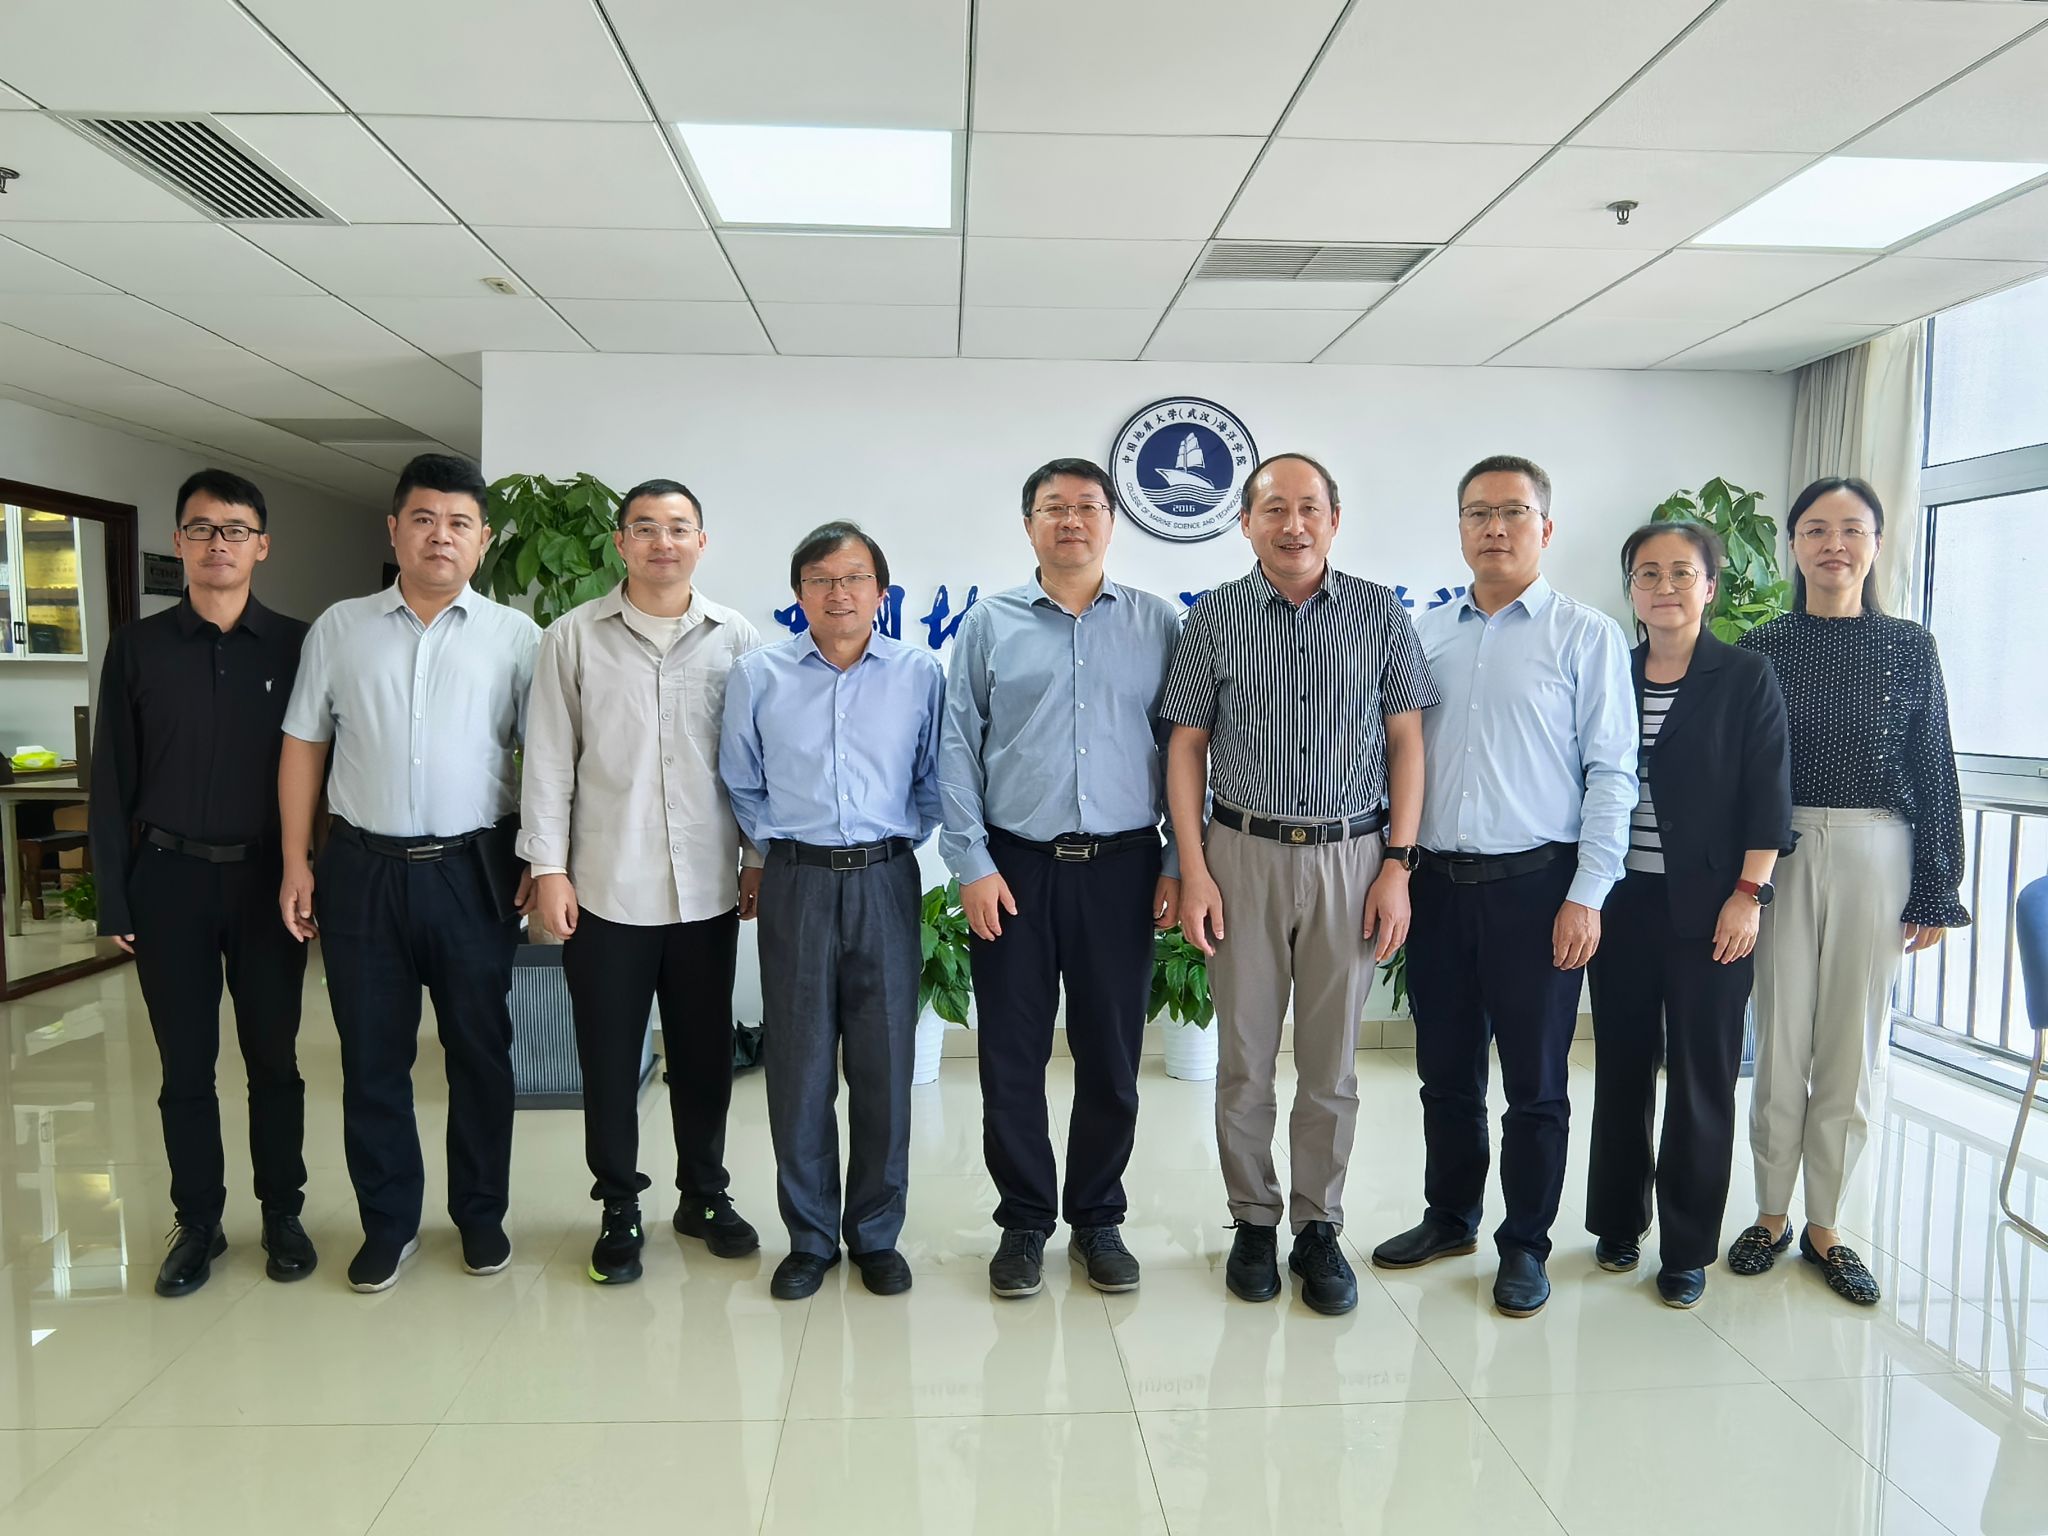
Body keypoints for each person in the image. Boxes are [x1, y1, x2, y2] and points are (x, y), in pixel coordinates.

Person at [1163, 452, 1437, 1317]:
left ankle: (1318, 1225)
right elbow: (1186, 746)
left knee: (1332, 1064)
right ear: (1245, 522)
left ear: (1334, 519)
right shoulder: (1213, 617)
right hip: (1239, 854)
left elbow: (1407, 743)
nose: (1293, 524)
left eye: (1309, 507)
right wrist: (1194, 867)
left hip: (1351, 857)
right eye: (1273, 508)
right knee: (1244, 1059)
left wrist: (1398, 864)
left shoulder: (1378, 613)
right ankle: (1253, 1220)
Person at [1372, 454, 1636, 1319]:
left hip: (1539, 888)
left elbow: (1612, 773)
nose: (1495, 528)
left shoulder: (1585, 635)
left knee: (1535, 1083)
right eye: (1478, 513)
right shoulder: (1423, 633)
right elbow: (1394, 757)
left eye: (1513, 512)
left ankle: (1525, 1243)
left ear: (1545, 528)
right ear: (1459, 528)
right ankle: (1450, 1217)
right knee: (1445, 1073)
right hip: (1438, 887)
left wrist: (1588, 892)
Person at [278, 453, 541, 1294]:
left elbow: (547, 759)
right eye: (424, 519)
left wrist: (544, 860)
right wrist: (295, 861)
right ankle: (388, 1224)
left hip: (474, 869)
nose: (441, 536)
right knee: (372, 1058)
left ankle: (481, 1215)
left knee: (481, 1053)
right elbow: (304, 746)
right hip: (363, 871)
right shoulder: (340, 628)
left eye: (459, 523)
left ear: (483, 539)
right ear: (394, 530)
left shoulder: (516, 638)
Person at [939, 457, 1182, 1301]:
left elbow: (1186, 751)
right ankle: (1023, 1222)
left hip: (1123, 867)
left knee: (1112, 1056)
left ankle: (1098, 1218)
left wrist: (1179, 861)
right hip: (1014, 869)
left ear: (1112, 521)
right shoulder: (990, 623)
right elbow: (956, 746)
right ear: (1029, 524)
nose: (1071, 520)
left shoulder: (1158, 623)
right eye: (1053, 507)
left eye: (1087, 506)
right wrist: (971, 863)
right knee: (1010, 1054)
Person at [1728, 477, 1968, 1305]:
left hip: (1879, 846)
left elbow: (1934, 765)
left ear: (1876, 544)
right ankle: (1770, 1214)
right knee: (1779, 1037)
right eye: (1817, 529)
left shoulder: (1910, 646)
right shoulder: (1762, 646)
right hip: (1779, 848)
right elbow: (1743, 770)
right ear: (1794, 545)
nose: (1834, 544)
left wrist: (1936, 886)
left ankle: (1826, 1224)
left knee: (1852, 1044)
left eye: (1852, 529)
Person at [521, 478, 765, 1286]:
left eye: (679, 528)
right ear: (620, 542)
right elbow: (549, 760)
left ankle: (704, 1194)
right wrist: (548, 869)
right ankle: (619, 1202)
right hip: (604, 887)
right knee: (608, 1057)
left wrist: (757, 858)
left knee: (703, 1055)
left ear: (702, 542)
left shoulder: (736, 638)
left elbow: (754, 763)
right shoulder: (572, 638)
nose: (664, 542)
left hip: (706, 889)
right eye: (647, 528)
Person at [88, 469, 313, 1297]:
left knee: (274, 1060)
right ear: (179, 541)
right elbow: (110, 778)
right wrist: (115, 895)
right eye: (201, 529)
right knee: (185, 1067)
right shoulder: (138, 647)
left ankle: (282, 1212)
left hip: (266, 882)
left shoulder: (298, 645)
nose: (219, 544)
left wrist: (315, 873)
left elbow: (324, 771)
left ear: (262, 545)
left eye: (235, 530)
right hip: (169, 881)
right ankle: (200, 1223)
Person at [719, 521, 944, 1301]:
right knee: (799, 1066)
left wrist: (894, 840)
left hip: (886, 879)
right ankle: (810, 1238)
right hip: (798, 881)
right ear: (799, 593)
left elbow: (932, 778)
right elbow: (741, 780)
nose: (838, 593)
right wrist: (774, 848)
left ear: (880, 592)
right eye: (820, 579)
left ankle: (876, 1235)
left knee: (884, 1066)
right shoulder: (759, 675)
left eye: (853, 578)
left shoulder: (919, 673)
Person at [1584, 520, 1791, 1308]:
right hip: (1620, 903)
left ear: (1710, 586)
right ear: (1631, 590)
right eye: (1647, 573)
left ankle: (1686, 1248)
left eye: (1681, 572)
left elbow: (1768, 795)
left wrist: (1749, 895)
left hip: (1712, 908)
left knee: (1702, 1079)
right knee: (1621, 1067)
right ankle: (1616, 1221)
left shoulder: (1745, 676)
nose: (1664, 586)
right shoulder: (1610, 671)